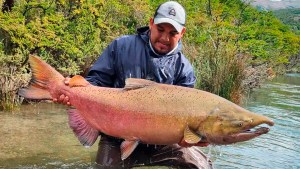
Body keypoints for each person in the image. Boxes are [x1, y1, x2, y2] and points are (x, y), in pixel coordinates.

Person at [54, 1, 213, 169]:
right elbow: (95, 83)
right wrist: (72, 92)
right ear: (151, 23)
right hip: (117, 136)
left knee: (200, 165)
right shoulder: (121, 46)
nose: (165, 38)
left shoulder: (184, 69)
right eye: (160, 30)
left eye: (173, 33)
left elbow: (188, 116)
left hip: (162, 142)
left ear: (182, 33)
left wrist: (191, 137)